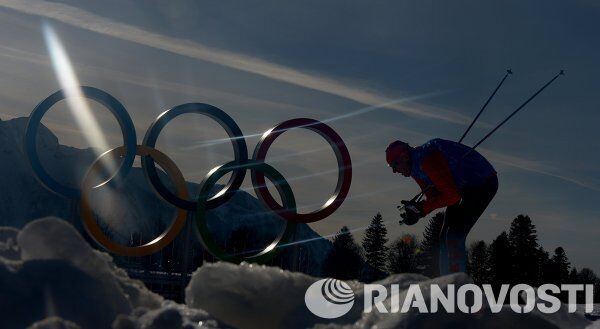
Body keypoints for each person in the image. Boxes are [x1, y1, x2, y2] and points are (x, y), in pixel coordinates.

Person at [385, 138, 498, 275]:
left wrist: (422, 209)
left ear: (405, 157)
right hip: (462, 187)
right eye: (391, 167)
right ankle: (446, 281)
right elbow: (435, 197)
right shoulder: (415, 169)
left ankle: (456, 284)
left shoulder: (427, 160)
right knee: (444, 235)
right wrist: (417, 210)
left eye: (394, 165)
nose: (394, 171)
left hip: (482, 182)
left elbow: (452, 196)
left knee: (454, 234)